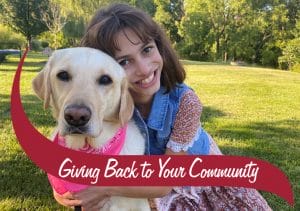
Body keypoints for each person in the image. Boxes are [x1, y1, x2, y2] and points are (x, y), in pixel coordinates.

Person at [53, 3, 271, 211]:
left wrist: (103, 189)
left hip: (200, 184)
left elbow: (167, 183)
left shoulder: (186, 103)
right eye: (124, 62)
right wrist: (65, 191)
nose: (144, 68)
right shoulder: (107, 105)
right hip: (146, 186)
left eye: (147, 49)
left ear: (159, 45)